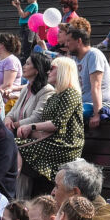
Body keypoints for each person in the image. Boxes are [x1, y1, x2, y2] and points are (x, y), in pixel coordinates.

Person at [16, 57, 85, 195]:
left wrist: (31, 127)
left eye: (53, 68)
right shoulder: (55, 96)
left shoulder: (71, 93)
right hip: (52, 140)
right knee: (13, 144)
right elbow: (47, 126)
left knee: (15, 145)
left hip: (66, 145)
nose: (48, 71)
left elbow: (58, 124)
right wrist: (31, 133)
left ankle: (12, 186)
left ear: (63, 71)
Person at [64, 19, 110, 128]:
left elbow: (96, 86)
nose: (66, 44)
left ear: (79, 41)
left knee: (69, 115)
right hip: (82, 103)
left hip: (99, 105)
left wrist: (97, 114)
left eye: (69, 41)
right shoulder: (74, 58)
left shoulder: (94, 55)